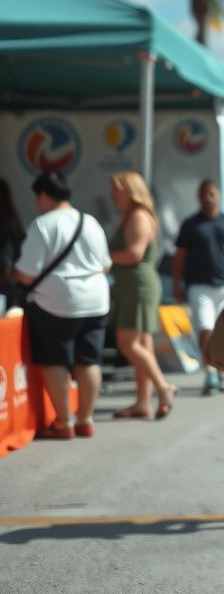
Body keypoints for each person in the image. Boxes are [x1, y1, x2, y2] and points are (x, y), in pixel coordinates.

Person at [13, 172, 111, 439]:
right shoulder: (90, 222)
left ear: (44, 195)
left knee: (54, 360)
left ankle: (64, 420)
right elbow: (105, 264)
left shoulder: (42, 225)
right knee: (89, 360)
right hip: (96, 300)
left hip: (56, 302)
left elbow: (27, 273)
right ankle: (86, 419)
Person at [109, 171, 177, 420]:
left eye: (117, 189)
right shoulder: (135, 215)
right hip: (136, 286)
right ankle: (143, 401)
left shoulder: (137, 216)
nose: (113, 195)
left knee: (129, 343)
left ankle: (162, 387)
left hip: (137, 286)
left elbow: (134, 254)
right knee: (143, 344)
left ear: (130, 191)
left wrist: (103, 259)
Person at [172, 179, 224, 396]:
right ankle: (209, 371)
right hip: (199, 286)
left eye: (212, 193)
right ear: (198, 197)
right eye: (204, 194)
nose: (208, 198)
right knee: (205, 328)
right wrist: (177, 282)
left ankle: (222, 371)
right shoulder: (191, 225)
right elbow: (180, 256)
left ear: (219, 195)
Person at [0, 177, 26, 311]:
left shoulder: (6, 221)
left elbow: (6, 260)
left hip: (6, 285)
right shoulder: (12, 218)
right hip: (13, 284)